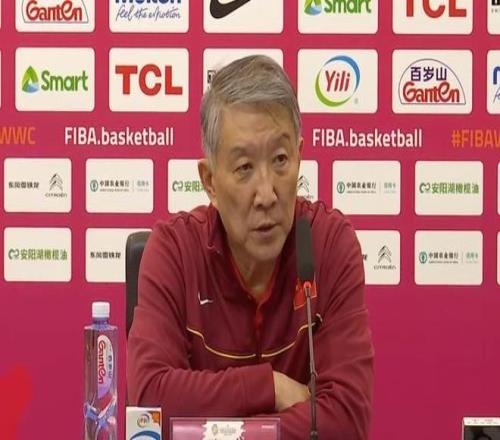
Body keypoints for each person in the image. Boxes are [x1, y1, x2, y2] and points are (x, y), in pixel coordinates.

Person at [127, 55, 374, 439]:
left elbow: (346, 420)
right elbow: (149, 404)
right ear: (210, 181)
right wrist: (269, 387)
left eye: (280, 160)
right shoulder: (175, 251)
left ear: (299, 156)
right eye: (244, 167)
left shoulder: (328, 245)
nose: (267, 194)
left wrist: (213, 427)